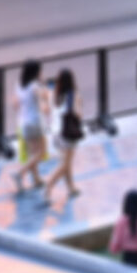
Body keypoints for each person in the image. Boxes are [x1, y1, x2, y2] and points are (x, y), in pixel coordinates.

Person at [43, 69, 82, 204]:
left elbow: (48, 110)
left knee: (66, 162)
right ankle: (48, 187)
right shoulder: (73, 94)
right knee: (65, 165)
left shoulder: (54, 93)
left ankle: (71, 188)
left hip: (56, 133)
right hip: (68, 133)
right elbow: (78, 114)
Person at [12, 60, 49, 192]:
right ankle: (20, 173)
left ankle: (37, 179)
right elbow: (44, 104)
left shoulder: (18, 85)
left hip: (24, 122)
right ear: (36, 72)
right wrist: (44, 86)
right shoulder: (35, 87)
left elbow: (15, 104)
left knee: (33, 153)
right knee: (41, 152)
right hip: (36, 122)